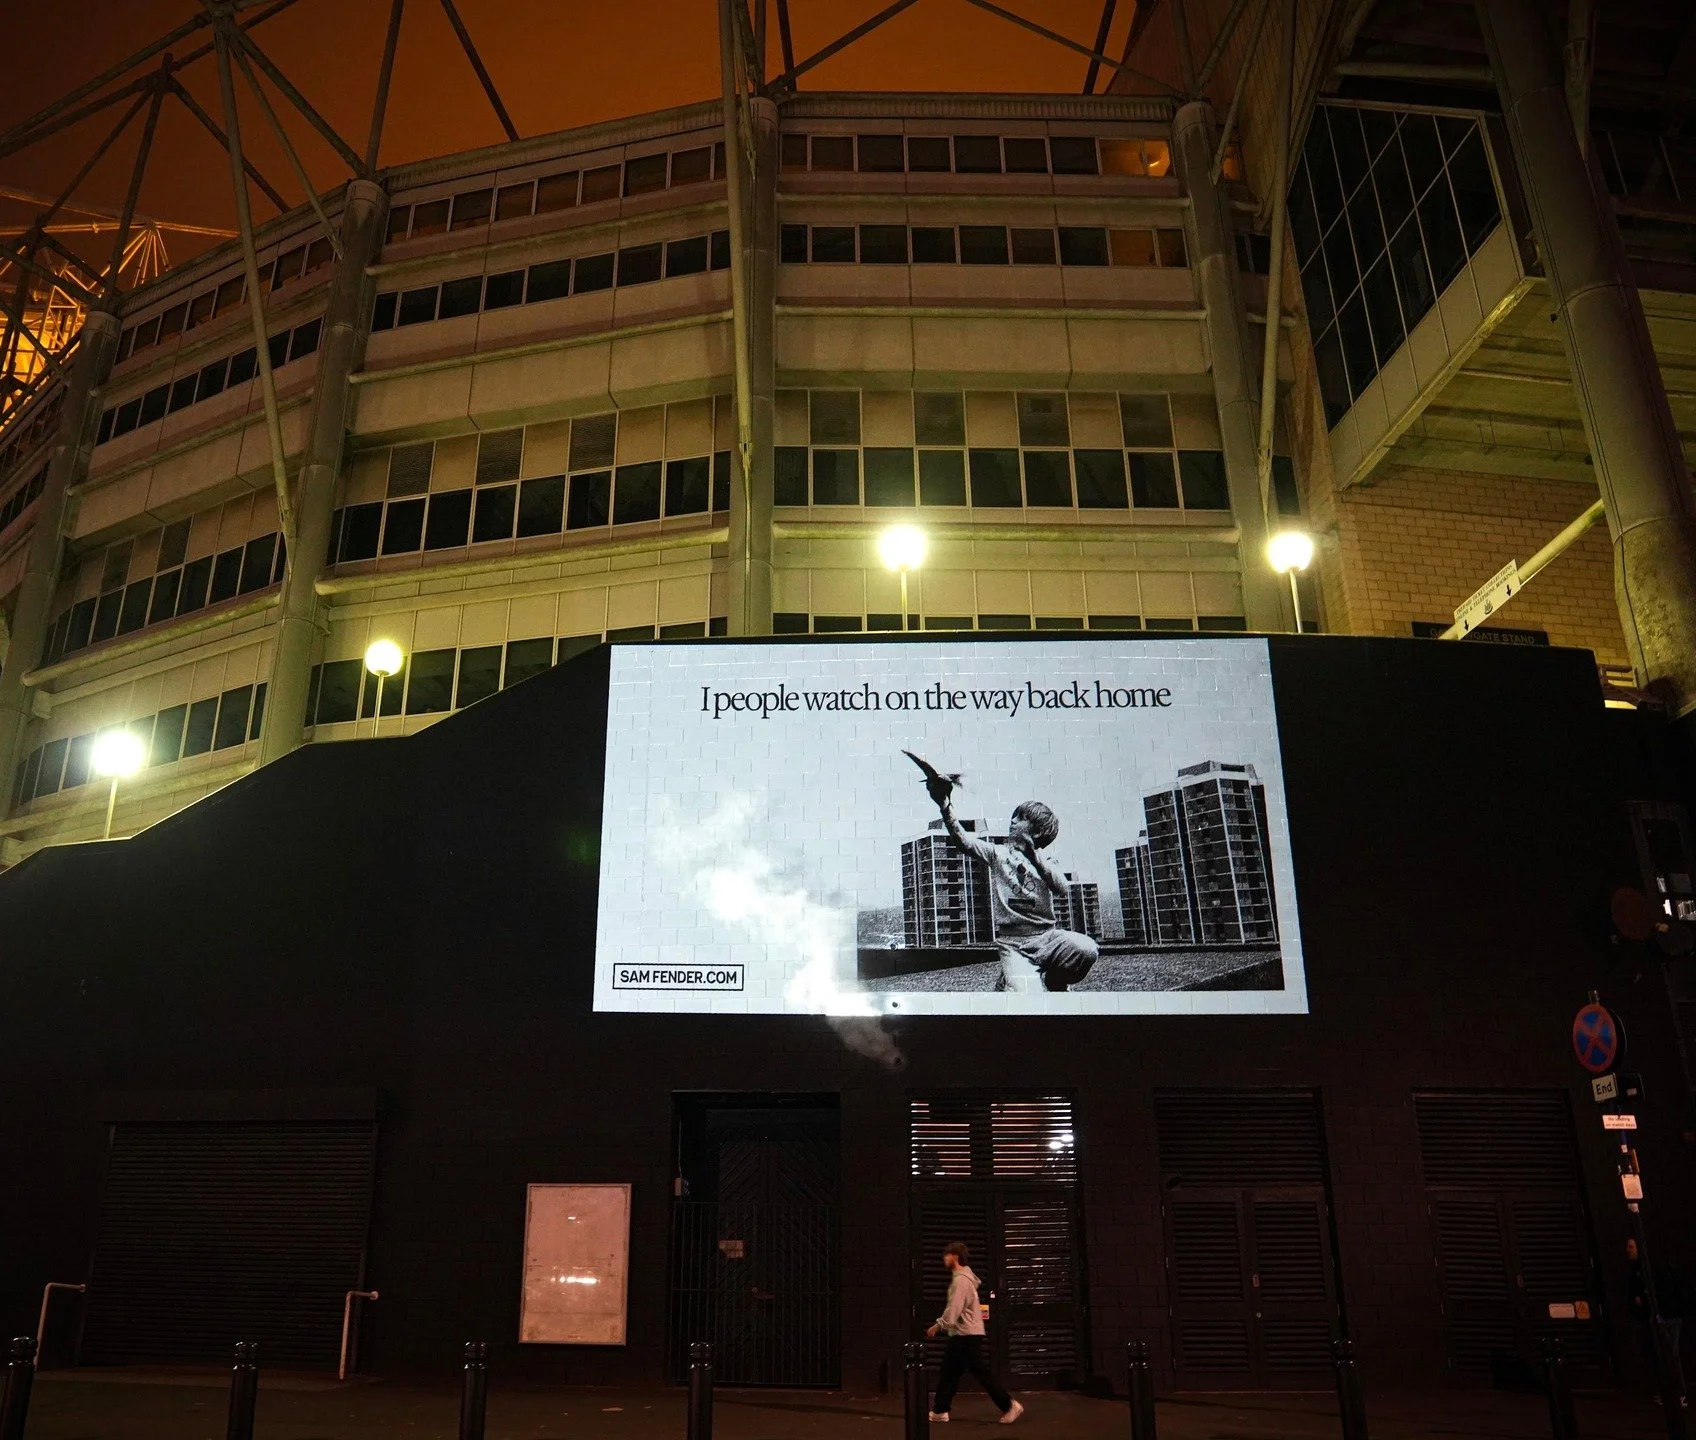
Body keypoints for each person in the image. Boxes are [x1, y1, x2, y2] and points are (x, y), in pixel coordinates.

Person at [933, 791, 1099, 992]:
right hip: (1013, 944)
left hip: (1047, 938)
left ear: (1036, 832)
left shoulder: (1047, 861)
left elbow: (1062, 889)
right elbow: (965, 842)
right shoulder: (998, 854)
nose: (1012, 820)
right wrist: (945, 806)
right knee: (1028, 997)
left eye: (1020, 818)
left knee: (1087, 949)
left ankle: (1055, 980)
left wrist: (1036, 860)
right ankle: (1008, 981)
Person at [927, 1241, 1023, 1424]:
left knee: (978, 1373)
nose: (944, 1258)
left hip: (965, 1335)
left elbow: (953, 1309)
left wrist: (938, 1325)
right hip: (965, 1334)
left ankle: (1009, 1405)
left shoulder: (961, 1280)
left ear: (955, 1257)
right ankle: (940, 1410)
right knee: (949, 1373)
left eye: (947, 1255)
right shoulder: (964, 1278)